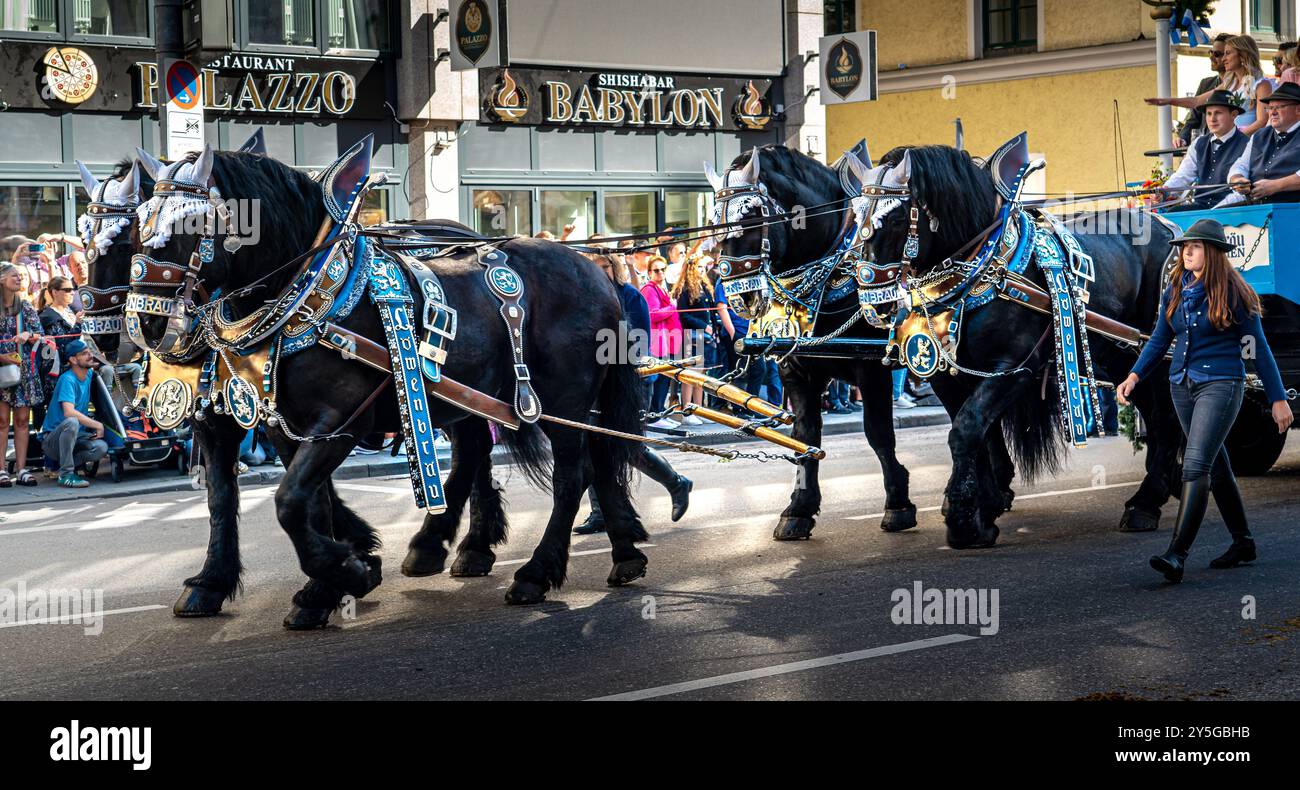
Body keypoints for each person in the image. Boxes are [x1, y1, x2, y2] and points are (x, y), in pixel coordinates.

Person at [1117, 219, 1292, 583]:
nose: (1186, 252)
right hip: (1181, 385)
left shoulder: (1234, 292)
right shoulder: (1176, 289)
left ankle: (1176, 554)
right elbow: (1159, 339)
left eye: (1193, 247)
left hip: (1221, 385)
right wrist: (1134, 375)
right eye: (1183, 247)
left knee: (1195, 465)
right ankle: (1243, 542)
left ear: (1211, 253)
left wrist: (1278, 399)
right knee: (1217, 466)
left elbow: (1260, 352)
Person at [574, 254, 691, 535]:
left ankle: (676, 482)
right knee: (591, 446)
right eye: (595, 268)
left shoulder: (631, 296)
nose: (599, 273)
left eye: (604, 267)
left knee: (626, 445)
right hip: (597, 380)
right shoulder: (589, 297)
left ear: (616, 269)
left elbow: (637, 343)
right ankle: (601, 512)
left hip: (630, 380)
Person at [1148, 35, 1273, 135]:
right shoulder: (1229, 84)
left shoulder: (1259, 84)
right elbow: (1197, 101)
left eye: (1227, 53)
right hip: (1228, 140)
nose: (1223, 59)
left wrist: (1236, 138)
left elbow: (1262, 121)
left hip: (1246, 143)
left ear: (1242, 56)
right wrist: (1169, 101)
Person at [1162, 90, 1249, 211]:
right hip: (1201, 207)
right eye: (1208, 114)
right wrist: (1163, 192)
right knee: (1172, 215)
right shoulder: (1199, 143)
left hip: (1230, 210)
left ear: (1233, 115)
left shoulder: (1247, 144)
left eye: (1218, 113)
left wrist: (1214, 212)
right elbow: (1183, 175)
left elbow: (1241, 194)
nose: (1212, 119)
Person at [39, 339, 109, 489]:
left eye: (89, 352)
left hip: (75, 437)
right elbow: (68, 412)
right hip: (53, 440)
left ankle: (63, 464)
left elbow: (102, 365)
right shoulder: (68, 379)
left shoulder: (88, 373)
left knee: (101, 447)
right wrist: (97, 425)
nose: (90, 355)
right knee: (72, 421)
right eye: (84, 354)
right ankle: (66, 474)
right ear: (72, 359)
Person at [1, 261, 45, 487]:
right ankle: (0, 470)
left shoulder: (26, 306)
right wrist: (3, 357)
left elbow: (40, 334)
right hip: (1, 369)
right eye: (14, 276)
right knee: (1, 421)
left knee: (20, 421)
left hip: (23, 370)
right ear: (2, 280)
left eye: (20, 276)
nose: (19, 279)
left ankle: (22, 468)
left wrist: (27, 333)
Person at [1221, 80, 1300, 206]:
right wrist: (1237, 179)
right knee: (1207, 219)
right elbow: (1241, 164)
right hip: (1254, 205)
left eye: (1279, 107)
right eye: (1270, 108)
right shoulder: (1259, 135)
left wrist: (1275, 186)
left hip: (1291, 209)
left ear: (1298, 110)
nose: (1272, 112)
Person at [672, 255, 715, 426]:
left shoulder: (704, 286)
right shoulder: (685, 289)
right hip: (691, 335)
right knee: (690, 375)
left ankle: (698, 409)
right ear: (691, 268)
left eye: (703, 267)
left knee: (701, 374)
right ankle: (687, 412)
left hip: (705, 336)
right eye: (699, 267)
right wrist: (704, 326)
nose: (702, 270)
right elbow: (683, 315)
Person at [640, 255, 682, 423]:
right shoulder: (649, 289)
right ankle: (655, 414)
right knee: (659, 378)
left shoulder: (662, 288)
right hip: (657, 340)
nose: (660, 273)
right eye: (656, 270)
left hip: (666, 338)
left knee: (664, 378)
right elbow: (652, 314)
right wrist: (672, 307)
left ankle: (660, 412)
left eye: (663, 269)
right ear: (650, 272)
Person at [1176, 34, 1234, 147]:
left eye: (1217, 54)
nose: (1211, 57)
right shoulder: (1205, 83)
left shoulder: (1241, 84)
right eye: (1210, 52)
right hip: (1206, 146)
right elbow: (1193, 119)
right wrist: (1182, 138)